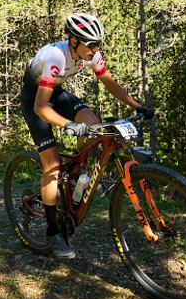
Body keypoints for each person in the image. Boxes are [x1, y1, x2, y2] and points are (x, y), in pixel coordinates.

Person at [21, 13, 151, 258]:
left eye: (98, 44)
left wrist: (136, 106)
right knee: (52, 166)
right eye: (91, 44)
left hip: (56, 93)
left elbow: (109, 82)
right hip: (34, 99)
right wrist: (68, 124)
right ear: (73, 41)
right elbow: (40, 107)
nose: (95, 49)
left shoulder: (91, 55)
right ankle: (52, 233)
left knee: (95, 126)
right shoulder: (55, 57)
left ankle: (75, 173)